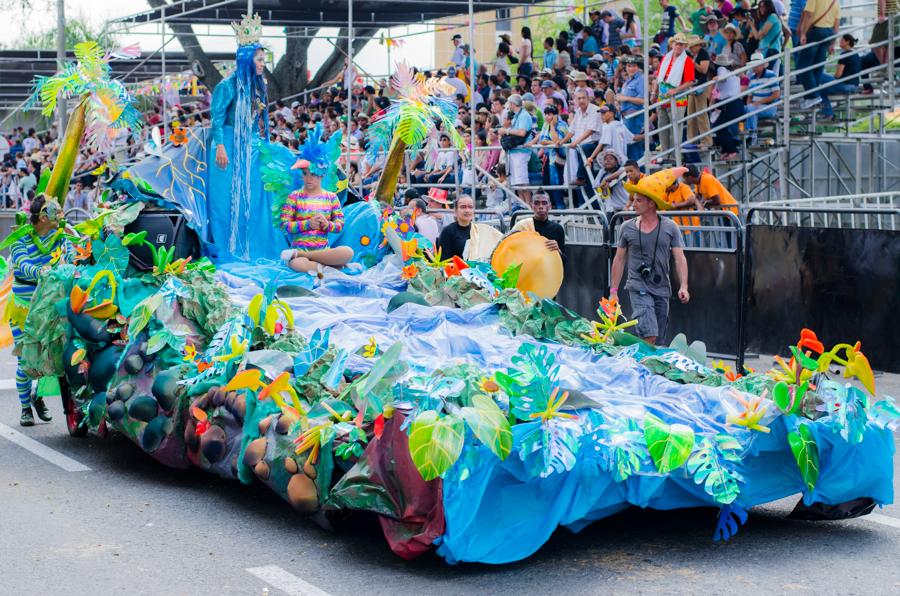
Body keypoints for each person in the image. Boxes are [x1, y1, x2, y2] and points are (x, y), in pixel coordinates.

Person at [209, 14, 286, 260]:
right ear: (246, 60)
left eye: (264, 60)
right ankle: (227, 247)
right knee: (225, 200)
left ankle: (254, 247)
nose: (263, 64)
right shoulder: (226, 86)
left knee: (254, 199)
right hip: (228, 147)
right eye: (260, 59)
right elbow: (217, 119)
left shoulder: (257, 86)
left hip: (251, 148)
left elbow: (255, 124)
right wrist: (220, 145)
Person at [6, 195, 71, 426]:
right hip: (25, 309)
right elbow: (23, 265)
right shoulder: (20, 237)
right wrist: (42, 272)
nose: (62, 215)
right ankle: (25, 408)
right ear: (44, 216)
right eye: (58, 211)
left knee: (52, 359)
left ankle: (37, 395)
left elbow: (73, 257)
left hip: (50, 306)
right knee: (26, 360)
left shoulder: (61, 236)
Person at [612, 167, 691, 345]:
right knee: (650, 334)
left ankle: (643, 368)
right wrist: (613, 292)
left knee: (658, 340)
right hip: (637, 285)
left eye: (639, 201)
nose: (634, 204)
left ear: (651, 204)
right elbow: (619, 259)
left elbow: (680, 258)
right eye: (634, 200)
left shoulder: (670, 227)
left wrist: (684, 286)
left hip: (662, 288)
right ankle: (643, 371)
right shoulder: (627, 227)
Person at [280, 129, 354, 273]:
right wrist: (307, 224)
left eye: (313, 175)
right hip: (300, 251)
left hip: (323, 251)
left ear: (321, 175)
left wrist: (327, 225)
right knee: (298, 264)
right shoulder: (294, 197)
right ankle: (329, 268)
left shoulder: (331, 197)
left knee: (348, 252)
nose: (308, 178)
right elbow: (285, 225)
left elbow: (339, 225)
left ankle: (316, 263)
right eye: (305, 174)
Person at [653, 33, 696, 156]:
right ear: (672, 44)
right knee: (662, 125)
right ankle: (664, 152)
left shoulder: (687, 61)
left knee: (675, 127)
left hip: (677, 98)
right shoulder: (666, 58)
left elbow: (690, 81)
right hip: (662, 96)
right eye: (677, 43)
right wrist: (654, 92)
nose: (678, 46)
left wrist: (675, 91)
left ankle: (674, 155)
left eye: (681, 44)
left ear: (684, 47)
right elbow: (659, 76)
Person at [796, 0, 840, 119]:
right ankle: (814, 97)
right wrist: (833, 42)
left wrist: (803, 33)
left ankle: (813, 96)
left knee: (803, 66)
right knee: (817, 67)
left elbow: (809, 14)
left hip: (816, 31)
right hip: (829, 33)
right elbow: (836, 22)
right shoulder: (835, 1)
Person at [498, 94, 534, 205]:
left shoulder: (524, 115)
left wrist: (506, 131)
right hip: (514, 152)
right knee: (517, 183)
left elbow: (522, 132)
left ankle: (528, 206)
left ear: (513, 104)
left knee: (522, 182)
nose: (508, 106)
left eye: (509, 103)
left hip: (521, 152)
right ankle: (523, 205)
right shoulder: (516, 115)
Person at [511, 191, 566, 257]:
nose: (541, 206)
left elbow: (564, 261)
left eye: (544, 203)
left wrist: (558, 250)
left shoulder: (558, 228)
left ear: (550, 206)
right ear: (531, 206)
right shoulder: (522, 227)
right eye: (537, 203)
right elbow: (513, 254)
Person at [744, 52, 781, 145]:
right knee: (740, 109)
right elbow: (750, 96)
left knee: (750, 109)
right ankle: (741, 136)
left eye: (756, 65)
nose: (754, 68)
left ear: (762, 65)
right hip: (756, 106)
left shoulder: (771, 75)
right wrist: (750, 105)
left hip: (769, 107)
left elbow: (776, 95)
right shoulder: (752, 77)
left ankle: (751, 136)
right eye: (753, 66)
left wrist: (758, 103)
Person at [712, 53, 743, 160]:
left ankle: (732, 150)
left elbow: (722, 78)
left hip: (731, 104)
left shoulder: (721, 69)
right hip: (735, 103)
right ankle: (726, 149)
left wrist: (717, 78)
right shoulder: (733, 74)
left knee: (718, 126)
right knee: (720, 126)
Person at [616, 56, 646, 161]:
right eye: (628, 66)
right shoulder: (628, 80)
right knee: (630, 145)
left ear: (638, 67)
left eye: (633, 66)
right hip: (626, 116)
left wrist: (625, 98)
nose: (630, 68)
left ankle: (639, 173)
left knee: (633, 145)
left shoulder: (641, 79)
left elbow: (644, 100)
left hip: (634, 116)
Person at [686, 35, 713, 149]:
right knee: (691, 115)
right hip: (693, 86)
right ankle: (691, 140)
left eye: (694, 46)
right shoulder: (694, 55)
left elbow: (704, 70)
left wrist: (693, 63)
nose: (692, 48)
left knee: (701, 114)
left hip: (701, 86)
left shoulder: (703, 54)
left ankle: (706, 141)